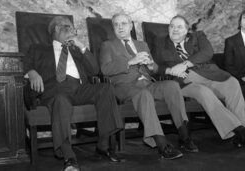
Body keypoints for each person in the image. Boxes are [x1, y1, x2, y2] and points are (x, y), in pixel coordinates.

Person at [23, 16, 124, 171]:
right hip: (56, 90)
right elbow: (26, 64)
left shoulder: (76, 51)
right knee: (61, 100)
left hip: (80, 89)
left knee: (106, 88)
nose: (73, 32)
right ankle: (68, 156)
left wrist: (81, 46)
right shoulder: (38, 49)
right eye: (69, 28)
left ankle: (103, 145)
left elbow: (95, 70)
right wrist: (32, 72)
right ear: (57, 28)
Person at [100, 13, 198, 160]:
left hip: (146, 83)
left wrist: (151, 65)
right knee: (144, 95)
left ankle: (184, 136)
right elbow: (105, 69)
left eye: (124, 23)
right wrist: (130, 61)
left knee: (172, 86)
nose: (120, 27)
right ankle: (162, 144)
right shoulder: (107, 45)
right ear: (113, 27)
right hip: (124, 86)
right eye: (116, 24)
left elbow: (155, 69)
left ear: (131, 26)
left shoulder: (142, 45)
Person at [154, 15, 245, 149]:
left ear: (186, 30)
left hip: (210, 75)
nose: (175, 29)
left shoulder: (198, 36)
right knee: (204, 92)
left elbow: (208, 52)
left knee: (232, 83)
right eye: (171, 26)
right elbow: (155, 67)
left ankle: (242, 133)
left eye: (179, 27)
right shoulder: (160, 43)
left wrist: (186, 64)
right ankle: (239, 130)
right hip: (186, 82)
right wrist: (169, 70)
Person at [224, 10, 245, 95]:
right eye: (244, 18)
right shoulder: (231, 41)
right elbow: (228, 66)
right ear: (240, 22)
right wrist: (242, 77)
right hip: (239, 79)